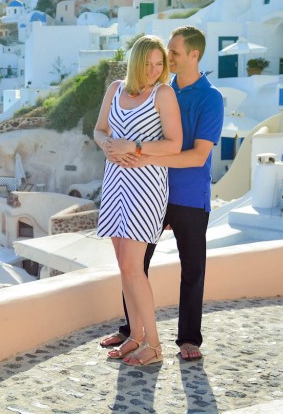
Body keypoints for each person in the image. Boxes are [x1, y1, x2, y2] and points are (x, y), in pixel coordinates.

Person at [101, 26, 223, 361]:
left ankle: (187, 339)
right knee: (134, 264)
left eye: (174, 53)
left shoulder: (210, 98)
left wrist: (137, 155)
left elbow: (198, 155)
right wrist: (125, 154)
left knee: (192, 267)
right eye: (165, 53)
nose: (167, 59)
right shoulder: (163, 89)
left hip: (188, 193)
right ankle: (132, 331)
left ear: (194, 56)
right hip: (151, 188)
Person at [94, 35, 182, 366]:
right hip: (115, 181)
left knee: (134, 267)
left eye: (160, 64)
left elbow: (175, 144)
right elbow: (99, 130)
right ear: (136, 62)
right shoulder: (116, 88)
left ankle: (155, 344)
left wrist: (135, 147)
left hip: (146, 184)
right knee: (124, 267)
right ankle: (135, 336)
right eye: (148, 63)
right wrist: (108, 145)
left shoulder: (163, 93)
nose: (154, 70)